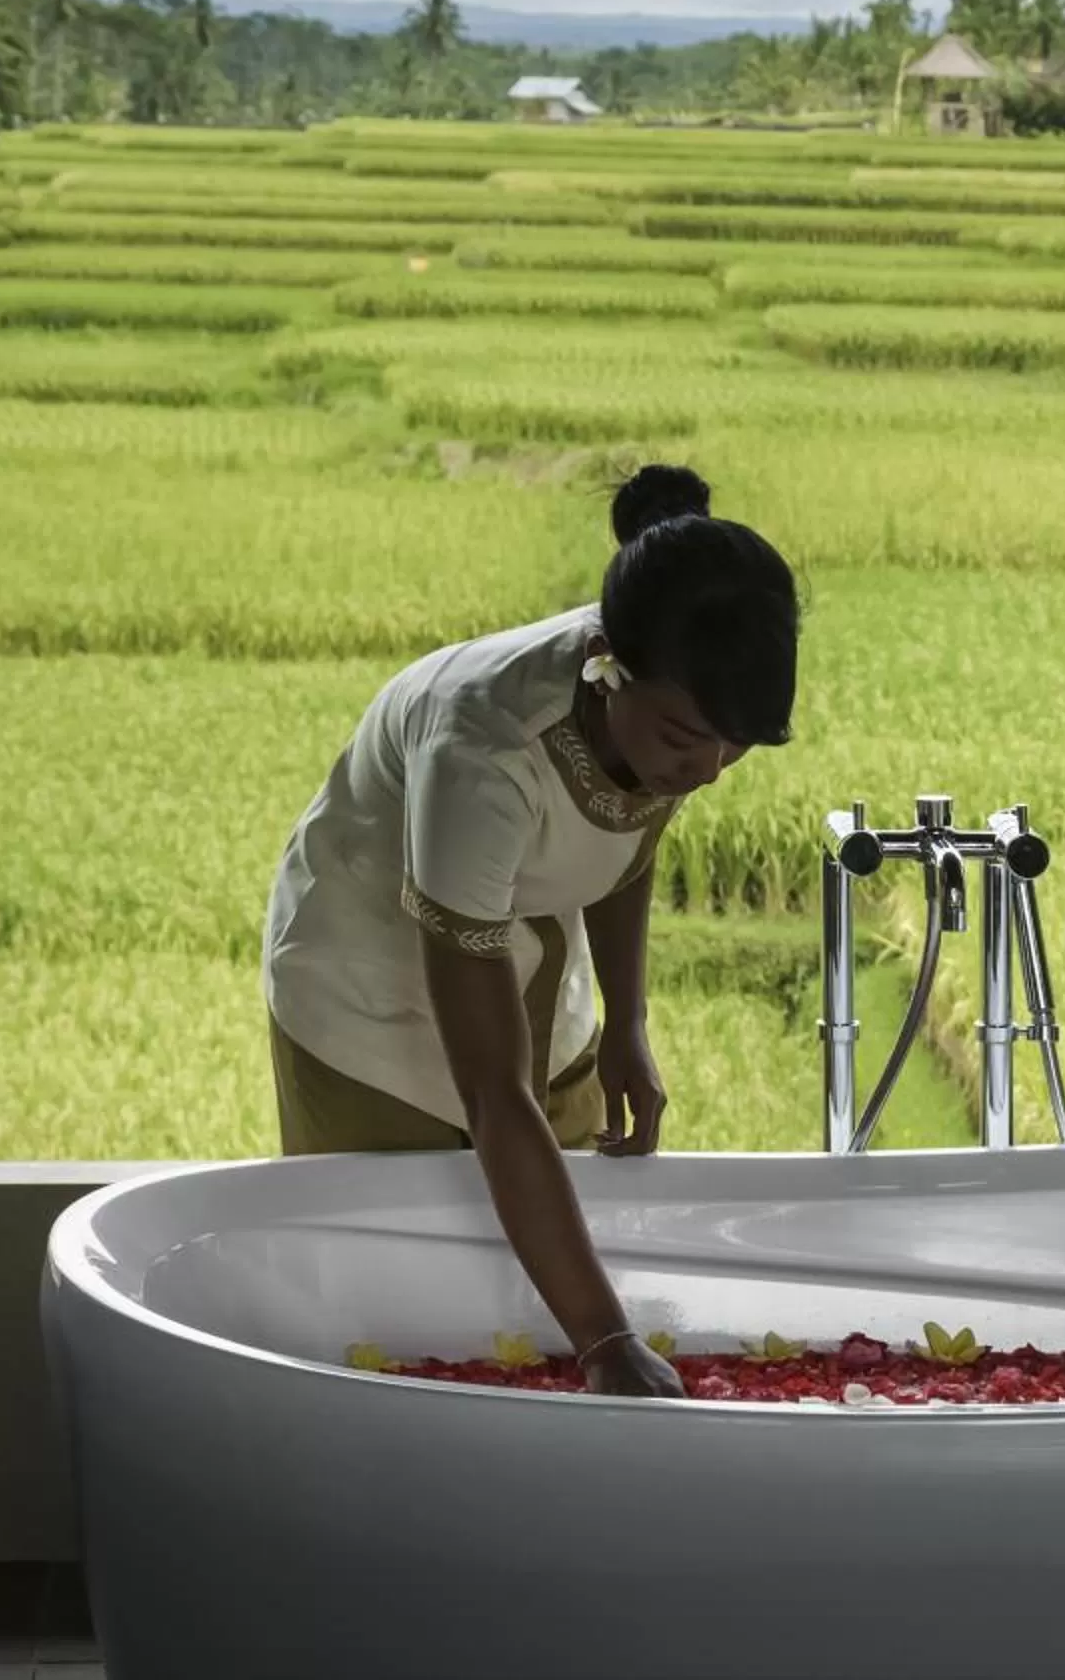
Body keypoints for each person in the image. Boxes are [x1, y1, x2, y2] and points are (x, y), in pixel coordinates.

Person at [263, 462, 799, 1399]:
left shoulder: (666, 709)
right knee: (396, 1316)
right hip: (368, 993)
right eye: (686, 738)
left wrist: (627, 1023)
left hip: (529, 957)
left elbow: (624, 831)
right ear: (608, 669)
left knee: (538, 1277)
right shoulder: (486, 752)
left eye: (734, 746)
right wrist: (605, 1345)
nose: (710, 770)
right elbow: (493, 1089)